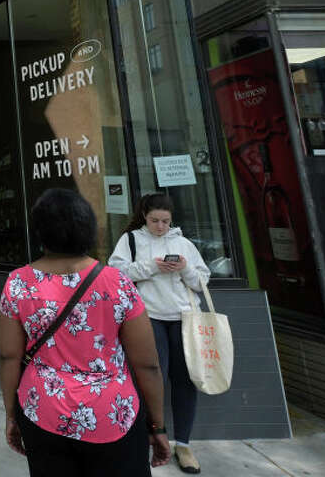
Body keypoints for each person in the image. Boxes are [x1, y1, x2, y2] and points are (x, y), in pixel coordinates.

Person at [0, 188, 170, 476]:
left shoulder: (18, 284)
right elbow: (148, 364)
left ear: (40, 231)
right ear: (88, 228)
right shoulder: (117, 283)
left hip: (43, 411)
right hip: (112, 414)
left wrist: (11, 415)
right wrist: (158, 425)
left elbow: (8, 357)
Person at [108, 193, 211, 475]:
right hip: (147, 316)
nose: (160, 226)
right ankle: (146, 440)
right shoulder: (131, 240)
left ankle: (184, 444)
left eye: (165, 221)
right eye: (155, 220)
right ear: (145, 216)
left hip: (184, 319)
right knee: (150, 379)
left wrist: (184, 268)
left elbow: (203, 281)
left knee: (185, 381)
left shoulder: (184, 243)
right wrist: (152, 266)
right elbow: (116, 275)